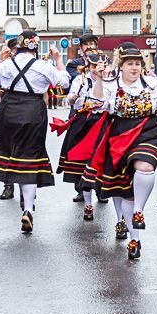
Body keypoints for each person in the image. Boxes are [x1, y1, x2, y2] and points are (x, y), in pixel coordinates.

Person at [82, 48, 157, 258]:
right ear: (121, 65)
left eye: (138, 64)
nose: (134, 68)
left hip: (148, 131)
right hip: (119, 134)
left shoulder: (151, 83)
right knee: (123, 191)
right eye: (130, 64)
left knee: (145, 165)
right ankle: (135, 240)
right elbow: (96, 105)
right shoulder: (110, 84)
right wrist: (97, 79)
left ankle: (138, 210)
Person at [0, 31, 69, 234]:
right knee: (30, 157)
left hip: (9, 111)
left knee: (13, 152)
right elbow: (63, 83)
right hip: (33, 111)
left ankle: (13, 188)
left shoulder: (7, 64)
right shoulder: (42, 65)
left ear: (18, 46)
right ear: (35, 47)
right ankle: (28, 209)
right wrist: (58, 60)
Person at [52, 51, 109, 222]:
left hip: (102, 121)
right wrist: (73, 97)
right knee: (83, 162)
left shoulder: (110, 79)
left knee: (101, 161)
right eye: (93, 66)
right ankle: (87, 201)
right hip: (83, 121)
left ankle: (101, 191)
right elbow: (69, 99)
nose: (96, 69)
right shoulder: (81, 79)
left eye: (99, 66)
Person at [0, 37, 18, 202]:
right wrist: (0, 60)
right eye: (14, 49)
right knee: (7, 147)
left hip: (28, 107)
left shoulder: (32, 63)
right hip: (8, 104)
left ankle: (27, 184)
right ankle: (8, 185)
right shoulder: (5, 64)